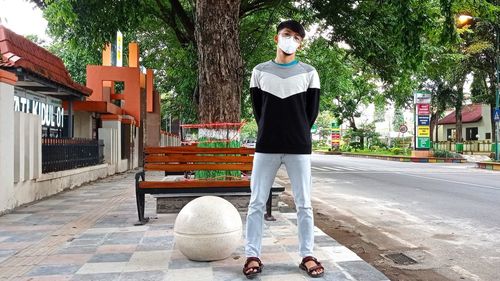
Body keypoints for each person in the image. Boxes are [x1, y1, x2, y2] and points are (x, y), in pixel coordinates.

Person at [242, 20, 324, 279]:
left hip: (299, 147)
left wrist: (297, 131)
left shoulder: (310, 72)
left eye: (297, 37)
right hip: (266, 145)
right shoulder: (259, 71)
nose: (291, 40)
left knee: (304, 204)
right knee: (256, 202)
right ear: (277, 38)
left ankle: (307, 255)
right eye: (287, 34)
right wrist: (272, 129)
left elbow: (310, 113)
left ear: (301, 43)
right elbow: (259, 110)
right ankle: (252, 255)